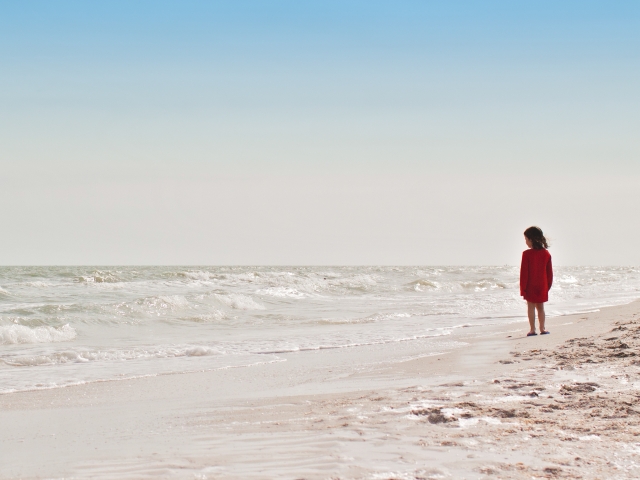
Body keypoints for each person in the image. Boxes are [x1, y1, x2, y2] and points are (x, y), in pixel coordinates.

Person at [520, 226, 553, 336]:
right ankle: (542, 328)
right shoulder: (546, 254)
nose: (526, 242)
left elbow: (524, 273)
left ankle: (532, 329)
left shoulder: (526, 254)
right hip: (542, 285)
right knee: (541, 308)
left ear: (532, 239)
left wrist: (523, 289)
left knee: (530, 307)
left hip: (530, 285)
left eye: (526, 239)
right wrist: (548, 286)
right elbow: (549, 273)